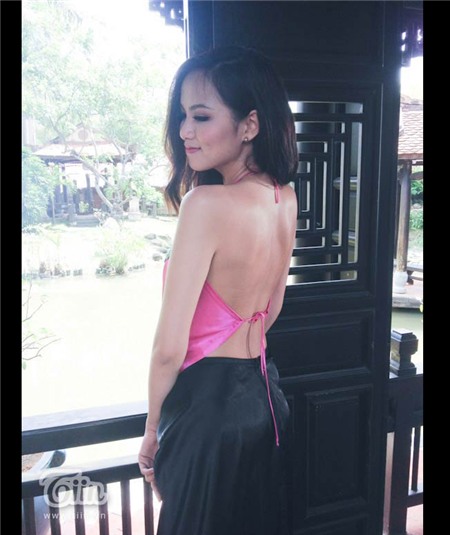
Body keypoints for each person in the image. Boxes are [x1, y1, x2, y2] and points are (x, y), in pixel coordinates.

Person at [138, 45, 298, 535]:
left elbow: (169, 348)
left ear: (249, 125)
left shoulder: (205, 205)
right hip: (265, 401)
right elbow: (271, 308)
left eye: (202, 116)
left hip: (208, 412)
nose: (185, 130)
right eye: (183, 115)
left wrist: (152, 430)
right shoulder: (284, 198)